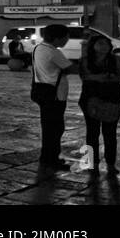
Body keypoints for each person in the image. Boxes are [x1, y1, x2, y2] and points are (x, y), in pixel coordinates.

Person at [32, 24, 76, 171]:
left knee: (48, 127)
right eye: (66, 37)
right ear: (57, 38)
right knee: (55, 128)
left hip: (42, 92)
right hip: (55, 95)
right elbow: (70, 68)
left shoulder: (38, 48)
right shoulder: (53, 52)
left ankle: (46, 157)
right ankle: (51, 159)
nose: (67, 40)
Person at [77, 35, 120, 174]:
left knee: (110, 134)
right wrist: (103, 77)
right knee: (92, 132)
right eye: (100, 43)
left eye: (107, 44)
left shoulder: (116, 59)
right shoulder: (85, 60)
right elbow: (84, 77)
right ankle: (92, 163)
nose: (104, 46)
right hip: (90, 99)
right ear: (93, 45)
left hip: (112, 99)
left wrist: (102, 78)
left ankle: (111, 164)